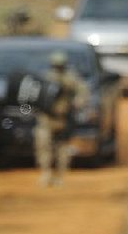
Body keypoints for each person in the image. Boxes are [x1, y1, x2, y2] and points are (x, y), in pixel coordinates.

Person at [33, 50, 87, 187]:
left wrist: (76, 103)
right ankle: (46, 174)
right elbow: (35, 96)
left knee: (62, 149)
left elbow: (83, 94)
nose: (58, 67)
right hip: (46, 119)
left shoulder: (71, 79)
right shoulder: (45, 78)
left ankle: (59, 176)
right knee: (44, 147)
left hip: (63, 119)